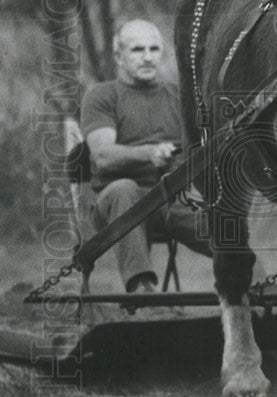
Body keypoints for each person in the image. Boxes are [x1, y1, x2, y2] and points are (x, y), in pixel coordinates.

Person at [80, 19, 210, 293]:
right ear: (119, 56)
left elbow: (201, 148)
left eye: (154, 49)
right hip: (115, 204)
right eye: (138, 50)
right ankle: (142, 291)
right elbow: (103, 155)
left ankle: (261, 291)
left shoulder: (179, 96)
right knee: (124, 189)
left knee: (225, 227)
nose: (148, 58)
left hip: (172, 200)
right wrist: (149, 154)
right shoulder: (103, 95)